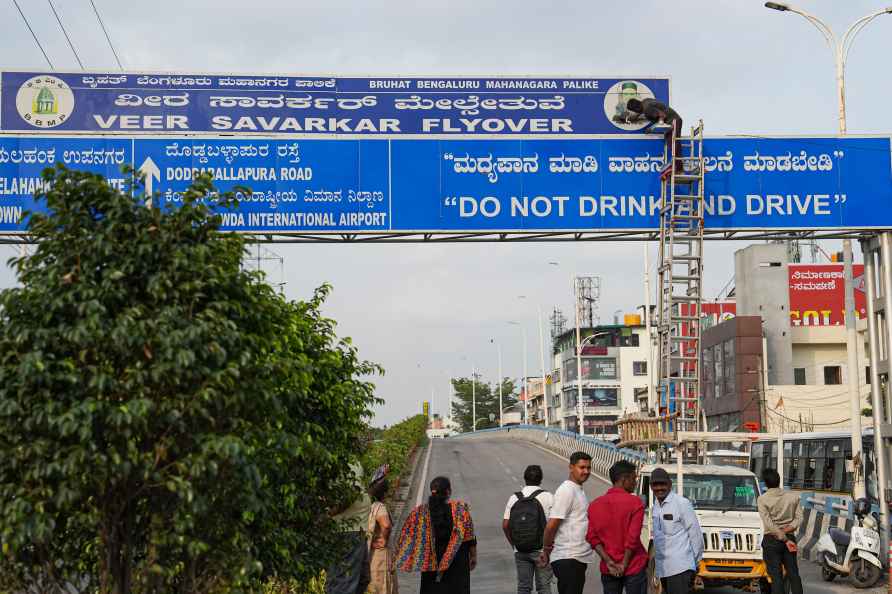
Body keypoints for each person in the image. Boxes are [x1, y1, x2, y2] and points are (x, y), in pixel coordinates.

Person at [396, 476, 477, 594]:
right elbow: (469, 537)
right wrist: (473, 556)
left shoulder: (420, 513)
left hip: (431, 565)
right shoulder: (460, 511)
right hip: (457, 566)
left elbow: (408, 537)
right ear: (448, 492)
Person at [587, 461, 648, 594]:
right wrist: (624, 564)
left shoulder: (595, 505)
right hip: (634, 565)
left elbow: (592, 537)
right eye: (633, 478)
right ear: (624, 479)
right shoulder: (635, 503)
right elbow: (632, 538)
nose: (635, 482)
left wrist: (608, 561)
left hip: (609, 568)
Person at [539, 451, 595, 594]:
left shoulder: (578, 489)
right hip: (568, 557)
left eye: (588, 468)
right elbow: (552, 525)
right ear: (571, 467)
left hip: (576, 558)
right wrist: (545, 550)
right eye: (582, 467)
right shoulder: (567, 490)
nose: (586, 471)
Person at [649, 468, 703, 594]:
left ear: (670, 485)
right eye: (655, 485)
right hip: (664, 568)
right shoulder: (656, 505)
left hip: (681, 568)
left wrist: (694, 562)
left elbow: (695, 535)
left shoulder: (682, 503)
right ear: (651, 486)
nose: (659, 488)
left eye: (663, 484)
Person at [503, 464, 555, 594]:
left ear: (524, 478)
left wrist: (514, 544)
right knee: (544, 587)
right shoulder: (548, 497)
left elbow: (505, 525)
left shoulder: (514, 498)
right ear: (541, 479)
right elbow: (554, 525)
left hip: (520, 550)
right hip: (542, 551)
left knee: (523, 587)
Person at [326, 460, 372, 594]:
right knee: (344, 583)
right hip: (349, 530)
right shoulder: (349, 461)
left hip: (354, 528)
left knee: (362, 578)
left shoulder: (346, 460)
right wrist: (328, 515)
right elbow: (351, 494)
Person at [757, 468, 803, 594]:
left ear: (765, 483)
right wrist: (786, 531)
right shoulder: (793, 497)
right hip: (789, 539)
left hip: (772, 541)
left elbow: (769, 523)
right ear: (779, 480)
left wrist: (781, 535)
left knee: (776, 577)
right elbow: (799, 519)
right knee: (793, 574)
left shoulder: (762, 499)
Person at [625, 98, 684, 172]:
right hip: (673, 120)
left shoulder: (647, 110)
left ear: (637, 109)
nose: (635, 112)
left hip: (674, 121)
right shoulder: (645, 102)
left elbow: (662, 115)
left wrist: (651, 129)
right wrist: (634, 117)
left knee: (674, 144)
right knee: (670, 143)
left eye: (634, 111)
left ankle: (679, 168)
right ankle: (678, 166)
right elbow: (643, 110)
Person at [367, 477, 398, 594]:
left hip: (371, 553)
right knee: (383, 585)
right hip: (381, 554)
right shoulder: (380, 507)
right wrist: (384, 539)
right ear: (384, 492)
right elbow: (386, 525)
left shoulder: (367, 507)